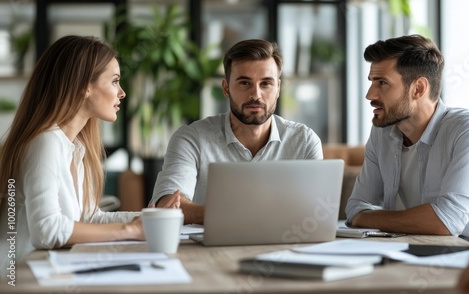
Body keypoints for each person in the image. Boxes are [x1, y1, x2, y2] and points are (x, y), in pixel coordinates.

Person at [0, 35, 180, 278]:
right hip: (19, 279)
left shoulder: (74, 148)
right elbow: (46, 231)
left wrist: (150, 218)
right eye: (115, 81)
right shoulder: (45, 143)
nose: (122, 93)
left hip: (49, 273)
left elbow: (88, 218)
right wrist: (129, 230)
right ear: (84, 85)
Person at [345, 34, 469, 241]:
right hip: (407, 253)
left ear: (418, 89)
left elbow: (446, 221)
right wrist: (366, 216)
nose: (370, 95)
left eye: (382, 83)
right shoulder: (383, 131)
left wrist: (368, 218)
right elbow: (355, 207)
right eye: (372, 81)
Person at [151, 39, 323, 224]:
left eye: (266, 84)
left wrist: (228, 215)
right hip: (209, 250)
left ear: (278, 88)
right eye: (244, 83)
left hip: (284, 245)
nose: (256, 95)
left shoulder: (304, 141)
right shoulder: (192, 139)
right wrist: (235, 216)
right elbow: (166, 205)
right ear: (226, 88)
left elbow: (319, 211)